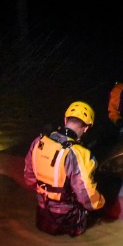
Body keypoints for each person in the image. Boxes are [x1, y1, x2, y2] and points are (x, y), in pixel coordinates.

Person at [24, 101, 105, 237]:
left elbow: (29, 178)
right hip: (67, 220)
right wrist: (101, 202)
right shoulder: (79, 154)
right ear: (86, 128)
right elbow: (87, 198)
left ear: (65, 119)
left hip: (42, 213)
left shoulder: (38, 141)